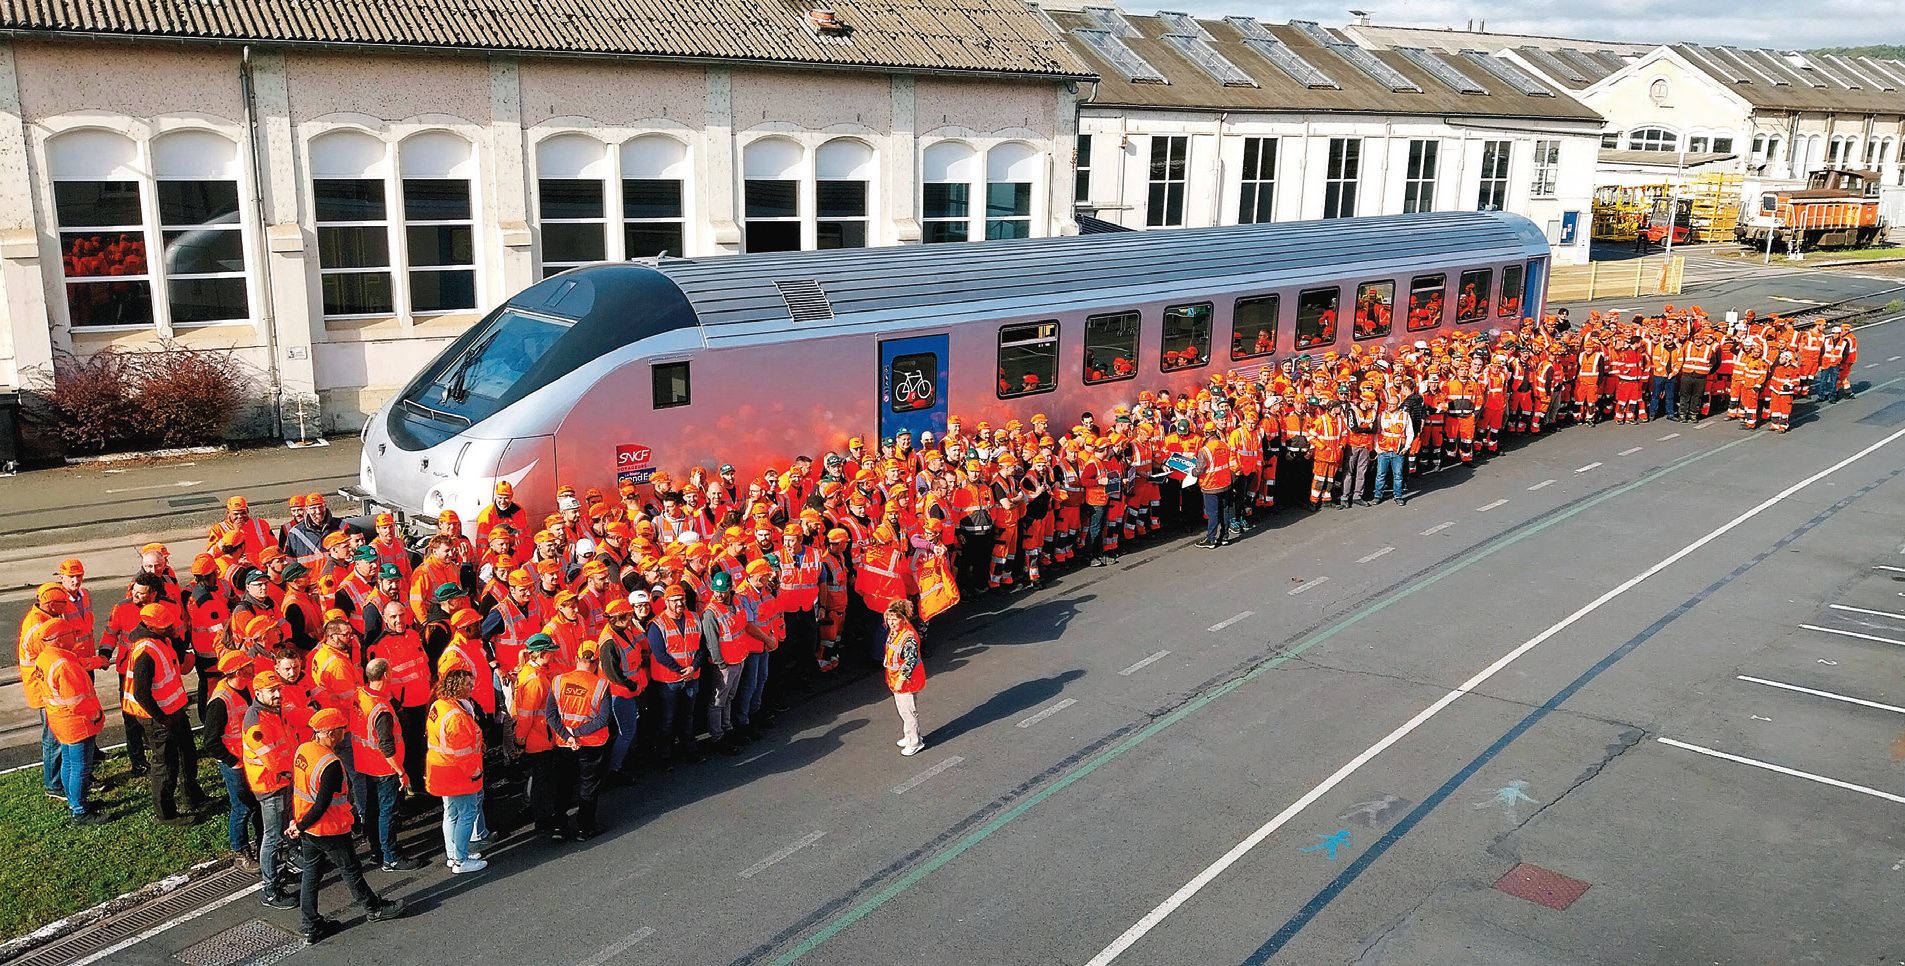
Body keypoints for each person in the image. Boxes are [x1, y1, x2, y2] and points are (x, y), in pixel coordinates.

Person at [285, 707, 406, 944]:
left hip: (308, 827)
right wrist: (300, 825)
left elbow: (293, 789)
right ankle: (373, 908)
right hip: (328, 827)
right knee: (350, 869)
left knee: (311, 873)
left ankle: (310, 924)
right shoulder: (330, 764)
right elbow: (322, 805)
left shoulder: (304, 749)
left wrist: (295, 821)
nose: (345, 733)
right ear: (330, 733)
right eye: (342, 729)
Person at [125, 603, 212, 825]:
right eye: (166, 626)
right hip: (158, 717)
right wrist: (161, 719)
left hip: (174, 710)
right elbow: (141, 693)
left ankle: (191, 796)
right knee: (165, 764)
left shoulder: (161, 640)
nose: (172, 628)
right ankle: (166, 814)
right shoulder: (145, 651)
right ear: (152, 627)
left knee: (187, 753)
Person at [354, 658, 424, 872]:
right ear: (385, 676)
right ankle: (391, 857)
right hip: (384, 768)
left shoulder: (360, 694)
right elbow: (387, 747)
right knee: (388, 813)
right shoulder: (381, 709)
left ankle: (377, 851)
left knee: (373, 810)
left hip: (365, 763)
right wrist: (401, 771)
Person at [37, 618, 107, 825]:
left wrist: (97, 661)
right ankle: (80, 811)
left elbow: (80, 662)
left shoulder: (48, 657)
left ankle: (76, 802)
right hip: (77, 723)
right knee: (80, 767)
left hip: (60, 721)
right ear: (59, 639)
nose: (75, 636)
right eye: (70, 633)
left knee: (69, 763)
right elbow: (76, 702)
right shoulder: (64, 665)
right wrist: (95, 715)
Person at [243, 670, 299, 907]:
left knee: (281, 831)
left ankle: (280, 872)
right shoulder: (257, 722)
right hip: (271, 786)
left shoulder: (273, 711)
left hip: (281, 783)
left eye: (279, 690)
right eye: (272, 691)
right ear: (258, 694)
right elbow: (273, 761)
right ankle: (270, 889)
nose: (278, 694)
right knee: (273, 838)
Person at [547, 640, 611, 840]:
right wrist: (578, 733)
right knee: (588, 786)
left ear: (577, 659)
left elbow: (550, 715)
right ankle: (585, 828)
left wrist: (568, 735)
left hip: (564, 745)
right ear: (597, 662)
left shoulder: (558, 681)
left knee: (564, 785)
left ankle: (559, 826)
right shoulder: (601, 685)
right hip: (592, 745)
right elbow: (603, 719)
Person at [202, 651, 261, 866]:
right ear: (238, 672)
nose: (253, 666)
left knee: (255, 804)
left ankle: (260, 843)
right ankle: (240, 850)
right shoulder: (220, 701)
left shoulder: (245, 688)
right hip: (235, 764)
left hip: (250, 760)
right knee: (242, 807)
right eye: (249, 665)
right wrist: (233, 761)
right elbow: (210, 741)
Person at [426, 668, 488, 873]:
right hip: (457, 773)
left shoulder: (439, 705)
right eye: (468, 684)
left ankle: (453, 855)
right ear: (458, 687)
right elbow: (462, 753)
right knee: (467, 813)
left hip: (440, 769)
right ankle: (461, 860)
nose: (472, 687)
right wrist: (475, 772)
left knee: (451, 813)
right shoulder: (456, 716)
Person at [19, 583, 74, 801]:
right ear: (50, 604)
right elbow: (55, 656)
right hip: (44, 689)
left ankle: (64, 778)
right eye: (62, 604)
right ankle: (54, 785)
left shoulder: (44, 619)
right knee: (53, 738)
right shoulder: (38, 628)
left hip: (47, 686)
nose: (66, 608)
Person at [645, 584, 702, 768]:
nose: (679, 603)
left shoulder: (694, 617)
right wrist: (682, 670)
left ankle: (691, 750)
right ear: (666, 602)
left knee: (688, 716)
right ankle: (664, 757)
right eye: (675, 600)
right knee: (666, 721)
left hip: (692, 677)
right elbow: (660, 654)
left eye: (682, 599)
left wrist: (693, 667)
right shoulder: (657, 624)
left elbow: (703, 647)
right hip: (668, 682)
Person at [882, 600, 926, 756]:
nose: (891, 622)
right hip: (895, 678)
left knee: (908, 712)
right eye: (889, 618)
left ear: (903, 619)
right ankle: (909, 736)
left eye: (895, 619)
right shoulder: (896, 631)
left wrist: (901, 680)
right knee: (903, 710)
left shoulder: (908, 637)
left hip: (907, 681)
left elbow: (910, 661)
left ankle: (915, 742)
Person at [1191, 424, 1233, 549]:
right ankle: (1224, 536)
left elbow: (1199, 470)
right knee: (1224, 510)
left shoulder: (1205, 450)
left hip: (1211, 485)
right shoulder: (1224, 445)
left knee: (1212, 513)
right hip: (1225, 483)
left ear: (1205, 434)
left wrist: (1192, 471)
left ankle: (1211, 539)